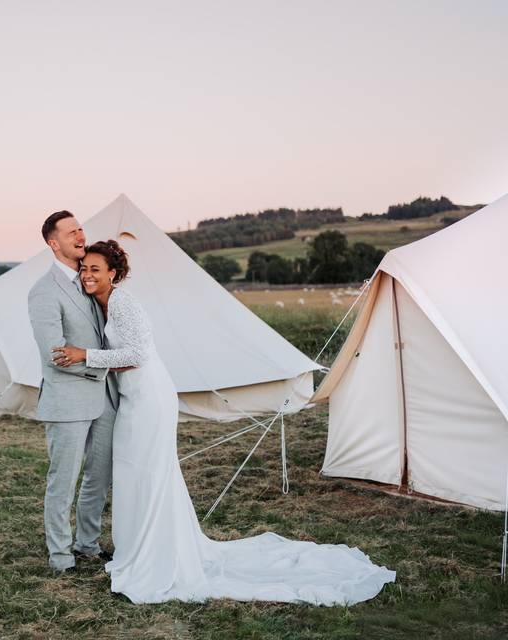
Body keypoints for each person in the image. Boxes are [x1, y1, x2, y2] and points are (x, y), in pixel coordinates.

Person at [52, 240, 396, 605]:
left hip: (150, 398)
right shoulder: (100, 304)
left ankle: (155, 557)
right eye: (84, 269)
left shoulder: (123, 301)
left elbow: (137, 354)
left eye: (95, 269)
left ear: (113, 273)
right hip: (132, 398)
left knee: (148, 472)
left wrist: (84, 355)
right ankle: (138, 548)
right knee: (133, 471)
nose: (88, 275)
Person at [27, 211, 119, 572]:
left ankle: (88, 543)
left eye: (81, 228)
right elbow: (55, 355)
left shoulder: (91, 280)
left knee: (100, 475)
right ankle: (61, 556)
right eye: (71, 232)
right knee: (63, 481)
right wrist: (105, 364)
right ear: (54, 243)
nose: (80, 235)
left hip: (104, 400)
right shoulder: (43, 291)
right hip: (67, 399)